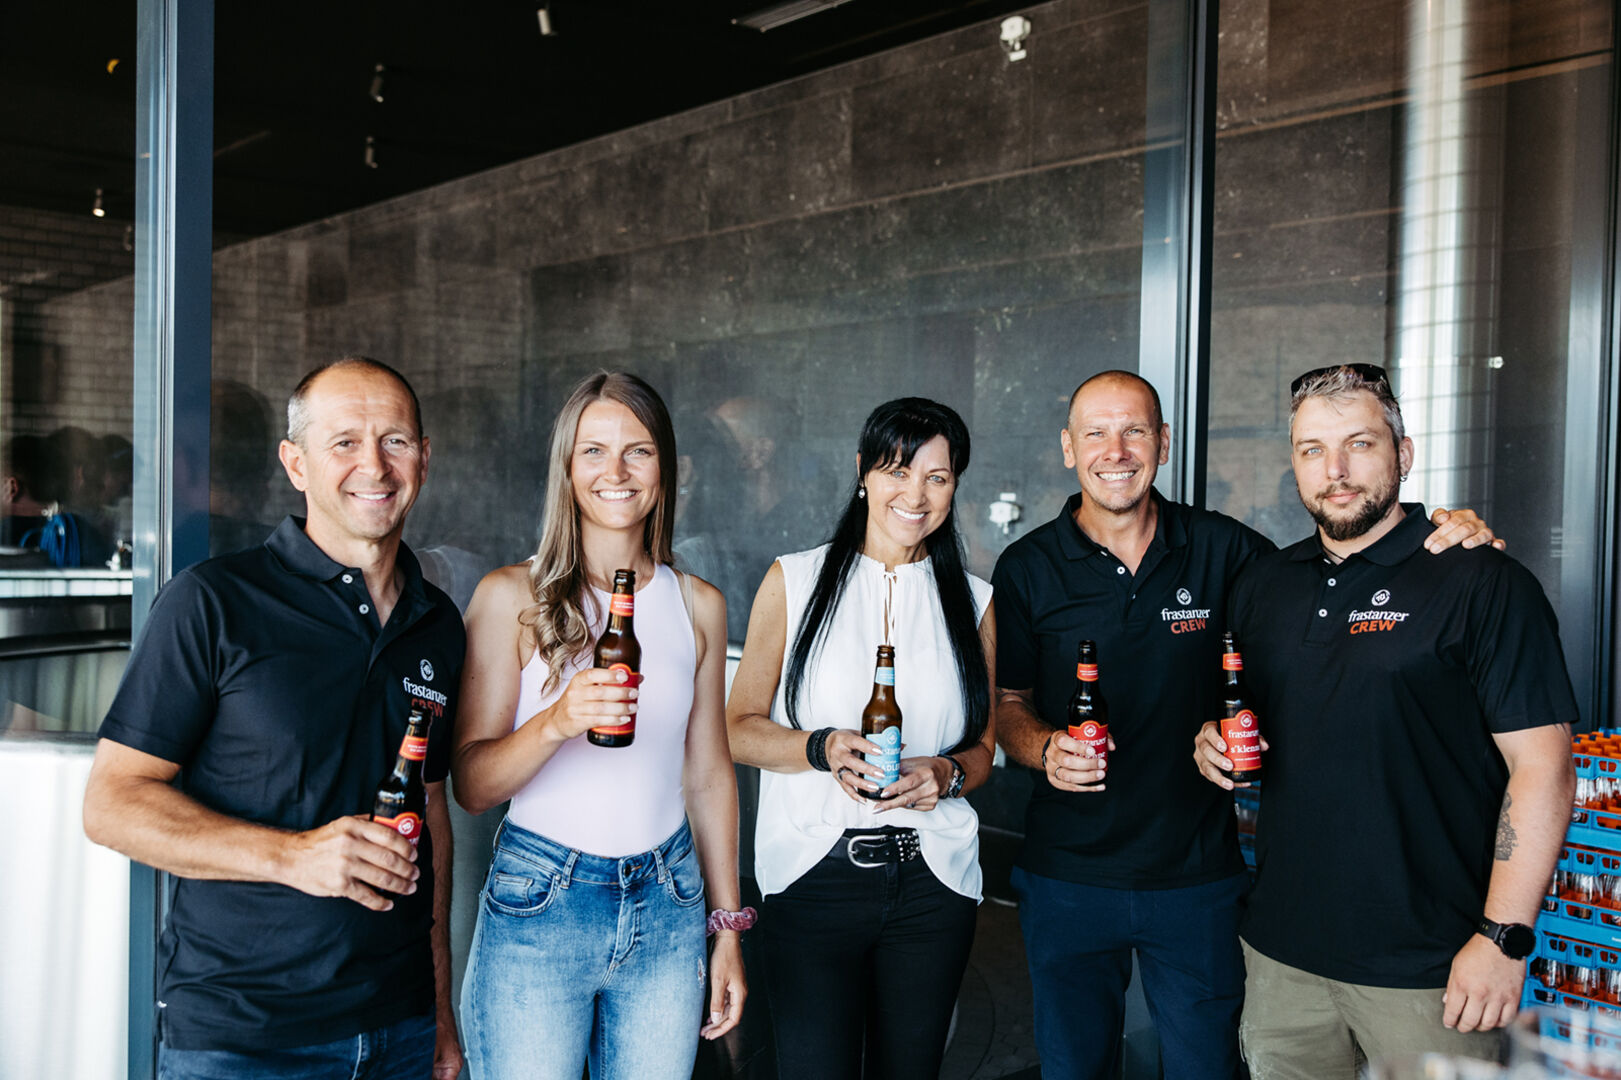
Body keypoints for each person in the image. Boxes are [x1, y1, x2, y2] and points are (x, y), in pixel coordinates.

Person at [990, 370, 1502, 1079]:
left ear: (1162, 443)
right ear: (1068, 449)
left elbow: (1331, 581)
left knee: (1209, 1067)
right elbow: (1006, 703)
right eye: (1096, 433)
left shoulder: (1227, 553)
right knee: (1072, 1067)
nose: (1117, 449)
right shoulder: (1026, 567)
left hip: (1197, 877)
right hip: (1065, 879)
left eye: (1135, 430)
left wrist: (1442, 538)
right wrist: (1042, 748)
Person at [82, 356, 465, 1079]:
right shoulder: (212, 602)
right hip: (244, 1037)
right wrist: (293, 857)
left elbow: (431, 809)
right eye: (344, 442)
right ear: (295, 463)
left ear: (424, 458)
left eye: (396, 441)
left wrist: (439, 1009)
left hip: (399, 1027)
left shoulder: (438, 622)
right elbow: (111, 803)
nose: (374, 466)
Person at [1194, 363, 1576, 1075]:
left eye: (1358, 444)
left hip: (1433, 969)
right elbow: (1263, 721)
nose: (1334, 470)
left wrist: (1501, 940)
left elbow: (1544, 767)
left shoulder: (1481, 582)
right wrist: (1209, 742)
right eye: (1312, 450)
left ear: (1402, 453)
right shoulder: (1263, 585)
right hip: (1281, 959)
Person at [451, 370, 746, 1080]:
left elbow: (708, 776)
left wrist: (727, 928)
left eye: (637, 451)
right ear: (565, 466)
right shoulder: (508, 597)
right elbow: (470, 784)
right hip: (541, 898)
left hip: (670, 903)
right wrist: (556, 721)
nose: (615, 471)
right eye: (593, 451)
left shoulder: (697, 604)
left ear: (664, 468)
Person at [727, 396, 998, 1080]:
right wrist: (818, 747)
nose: (915, 493)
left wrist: (946, 774)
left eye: (936, 477)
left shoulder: (975, 601)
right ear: (862, 472)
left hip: (933, 880)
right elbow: (738, 731)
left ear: (954, 486)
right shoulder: (792, 580)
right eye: (897, 470)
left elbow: (984, 751)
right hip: (814, 875)